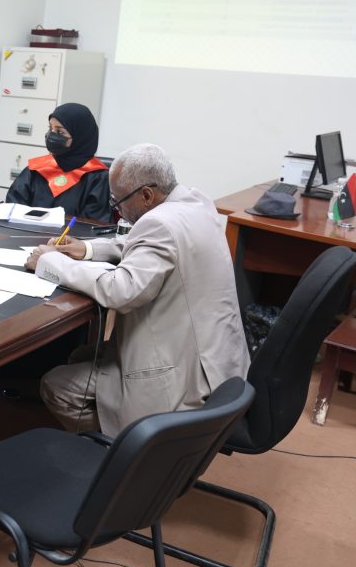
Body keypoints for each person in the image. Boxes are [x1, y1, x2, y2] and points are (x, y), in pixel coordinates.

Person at [24, 143, 249, 436]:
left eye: (118, 202)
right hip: (219, 367)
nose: (117, 211)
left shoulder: (158, 223)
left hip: (185, 378)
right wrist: (88, 249)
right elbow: (150, 243)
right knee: (83, 355)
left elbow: (121, 291)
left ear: (146, 195)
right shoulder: (196, 204)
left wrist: (49, 261)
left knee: (57, 386)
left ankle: (131, 453)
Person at [5, 102, 111, 222]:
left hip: (69, 239)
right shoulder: (37, 169)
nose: (52, 135)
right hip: (26, 236)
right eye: (51, 128)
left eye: (60, 132)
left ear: (80, 137)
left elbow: (93, 224)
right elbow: (13, 206)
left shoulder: (97, 178)